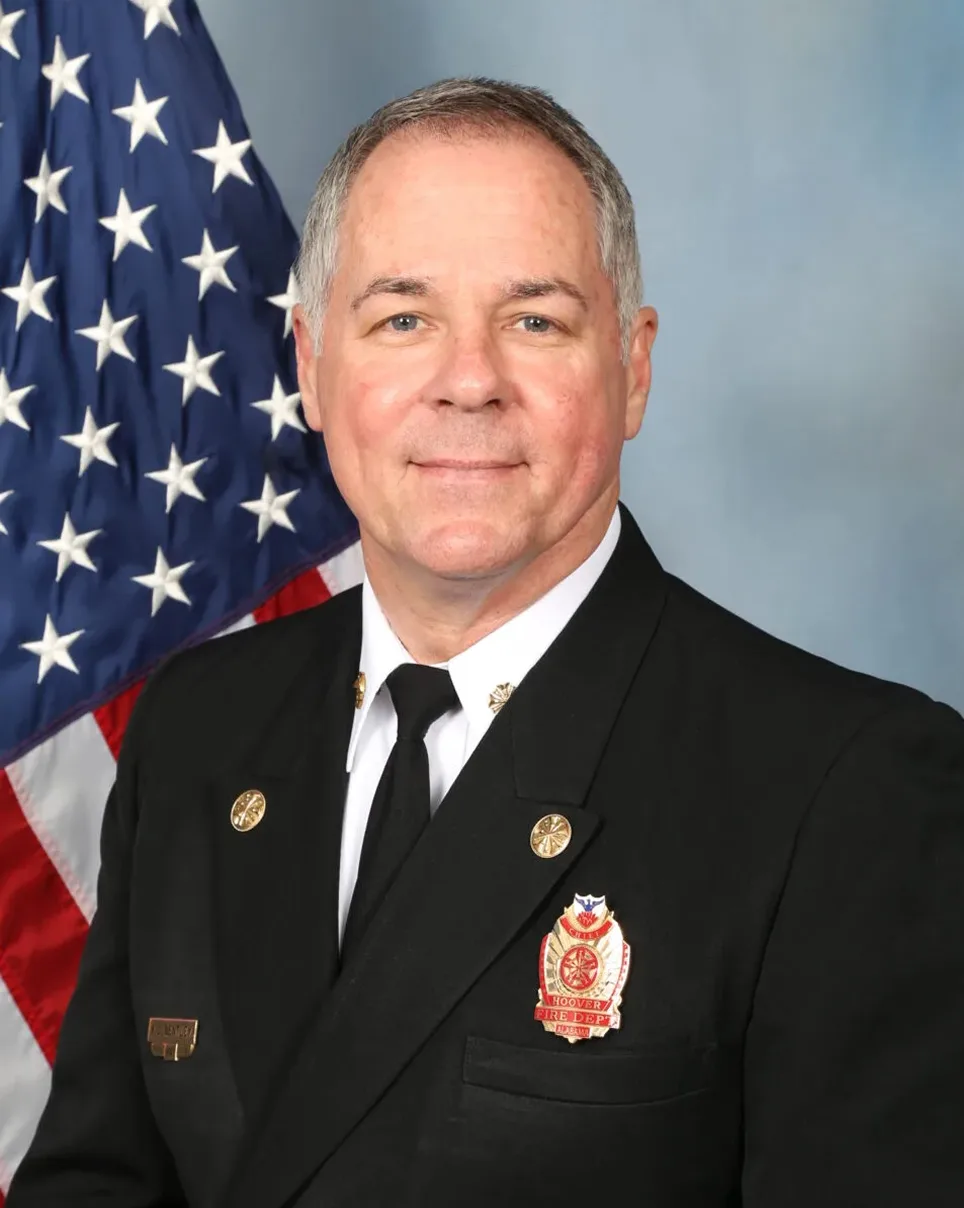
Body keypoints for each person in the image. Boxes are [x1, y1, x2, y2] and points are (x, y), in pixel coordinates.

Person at [9, 77, 964, 1208]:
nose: (468, 381)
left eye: (535, 320)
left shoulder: (850, 788)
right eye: (402, 317)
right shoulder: (199, 725)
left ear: (634, 369)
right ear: (312, 366)